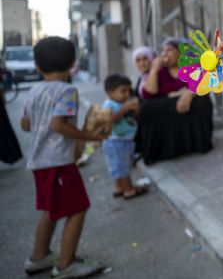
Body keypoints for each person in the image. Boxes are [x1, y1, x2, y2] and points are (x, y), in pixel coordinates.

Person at [20, 36, 107, 278]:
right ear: (72, 64)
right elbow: (59, 125)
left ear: (37, 66)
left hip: (39, 162)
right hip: (57, 162)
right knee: (78, 208)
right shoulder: (67, 91)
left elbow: (25, 124)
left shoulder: (34, 90)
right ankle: (65, 265)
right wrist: (89, 136)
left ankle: (39, 257)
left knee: (50, 208)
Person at [137, 38, 213, 164]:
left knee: (202, 100)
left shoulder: (191, 66)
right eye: (163, 51)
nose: (164, 54)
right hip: (166, 107)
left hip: (188, 104)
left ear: (180, 52)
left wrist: (188, 93)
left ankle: (199, 144)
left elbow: (205, 81)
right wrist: (154, 70)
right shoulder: (160, 71)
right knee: (145, 108)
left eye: (169, 50)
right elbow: (148, 94)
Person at [101, 74, 148, 199]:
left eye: (128, 90)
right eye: (123, 91)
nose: (127, 94)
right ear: (110, 93)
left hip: (124, 141)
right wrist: (124, 108)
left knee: (120, 166)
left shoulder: (122, 102)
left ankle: (118, 187)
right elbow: (111, 119)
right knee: (122, 168)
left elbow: (133, 115)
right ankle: (129, 190)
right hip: (116, 142)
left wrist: (134, 108)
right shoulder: (109, 105)